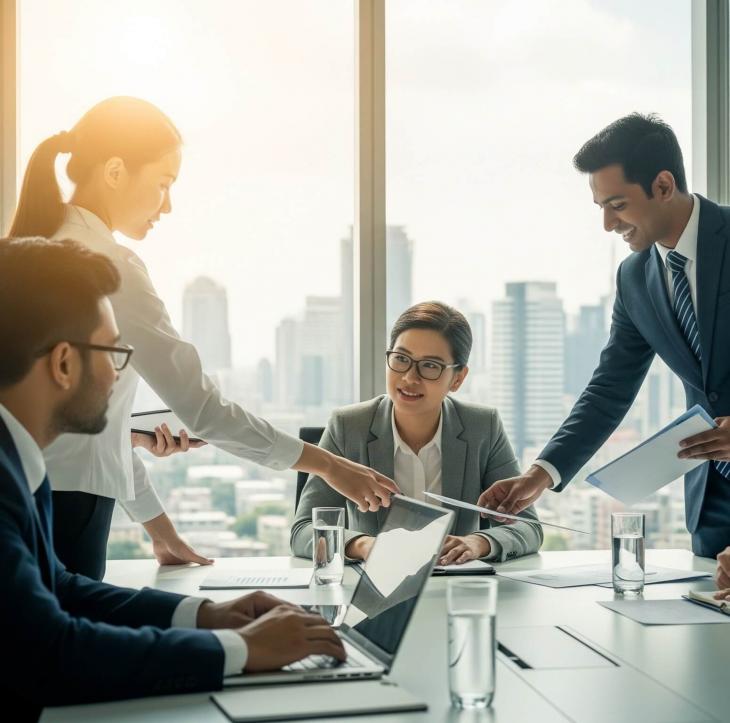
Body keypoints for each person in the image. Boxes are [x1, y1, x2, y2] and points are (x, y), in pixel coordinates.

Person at [9, 96, 397, 580]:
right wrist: (328, 466)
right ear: (113, 171)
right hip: (68, 508)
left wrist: (160, 531)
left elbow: (78, 428)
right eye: (162, 185)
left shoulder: (31, 250)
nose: (167, 206)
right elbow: (202, 409)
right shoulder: (109, 268)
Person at [0, 238, 344, 721]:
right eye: (114, 352)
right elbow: (50, 654)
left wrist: (206, 617)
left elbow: (59, 588)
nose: (118, 375)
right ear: (62, 363)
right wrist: (238, 650)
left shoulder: (18, 459)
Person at [478, 113, 730, 560]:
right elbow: (610, 387)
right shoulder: (635, 278)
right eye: (601, 208)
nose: (608, 225)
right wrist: (540, 475)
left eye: (617, 204)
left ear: (663, 185)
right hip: (714, 502)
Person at [291, 301, 542, 564]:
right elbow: (304, 531)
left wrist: (477, 543)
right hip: (374, 590)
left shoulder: (482, 427)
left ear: (457, 378)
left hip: (455, 589)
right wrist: (365, 546)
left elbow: (528, 527)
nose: (410, 378)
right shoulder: (348, 427)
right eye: (401, 359)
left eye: (430, 366)